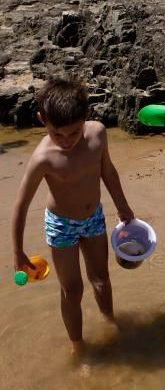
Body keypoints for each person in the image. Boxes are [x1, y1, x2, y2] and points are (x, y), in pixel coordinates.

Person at [11, 78, 135, 356]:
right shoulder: (43, 158)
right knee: (72, 290)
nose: (66, 141)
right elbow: (20, 205)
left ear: (85, 118)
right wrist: (18, 252)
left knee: (101, 279)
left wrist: (123, 206)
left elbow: (108, 173)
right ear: (42, 120)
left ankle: (110, 323)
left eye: (73, 133)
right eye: (57, 134)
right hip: (61, 225)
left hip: (93, 218)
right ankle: (78, 347)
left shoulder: (97, 135)